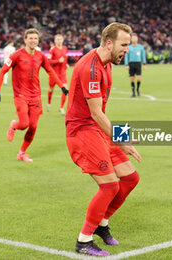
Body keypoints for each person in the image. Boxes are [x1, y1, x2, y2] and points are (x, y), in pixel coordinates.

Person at [65, 23, 141, 256]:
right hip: (82, 131)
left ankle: (102, 224)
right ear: (109, 43)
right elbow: (96, 114)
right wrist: (121, 138)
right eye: (124, 45)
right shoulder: (92, 68)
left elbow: (100, 114)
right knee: (109, 185)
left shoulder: (106, 63)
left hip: (96, 129)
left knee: (130, 178)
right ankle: (83, 240)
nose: (127, 49)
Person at [0, 28, 68, 162]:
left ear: (38, 40)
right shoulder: (16, 55)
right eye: (31, 38)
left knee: (33, 127)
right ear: (25, 40)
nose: (33, 41)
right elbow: (2, 71)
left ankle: (21, 153)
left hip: (36, 97)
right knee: (23, 124)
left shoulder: (40, 56)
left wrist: (62, 87)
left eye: (35, 38)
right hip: (21, 96)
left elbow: (50, 71)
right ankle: (14, 125)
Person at [47, 34, 68, 115]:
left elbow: (64, 59)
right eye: (57, 39)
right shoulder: (52, 50)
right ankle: (49, 103)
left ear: (62, 40)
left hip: (62, 73)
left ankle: (61, 107)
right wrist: (58, 61)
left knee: (65, 90)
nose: (59, 41)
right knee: (51, 89)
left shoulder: (65, 48)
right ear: (55, 41)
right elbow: (48, 61)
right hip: (54, 74)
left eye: (60, 39)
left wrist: (65, 64)